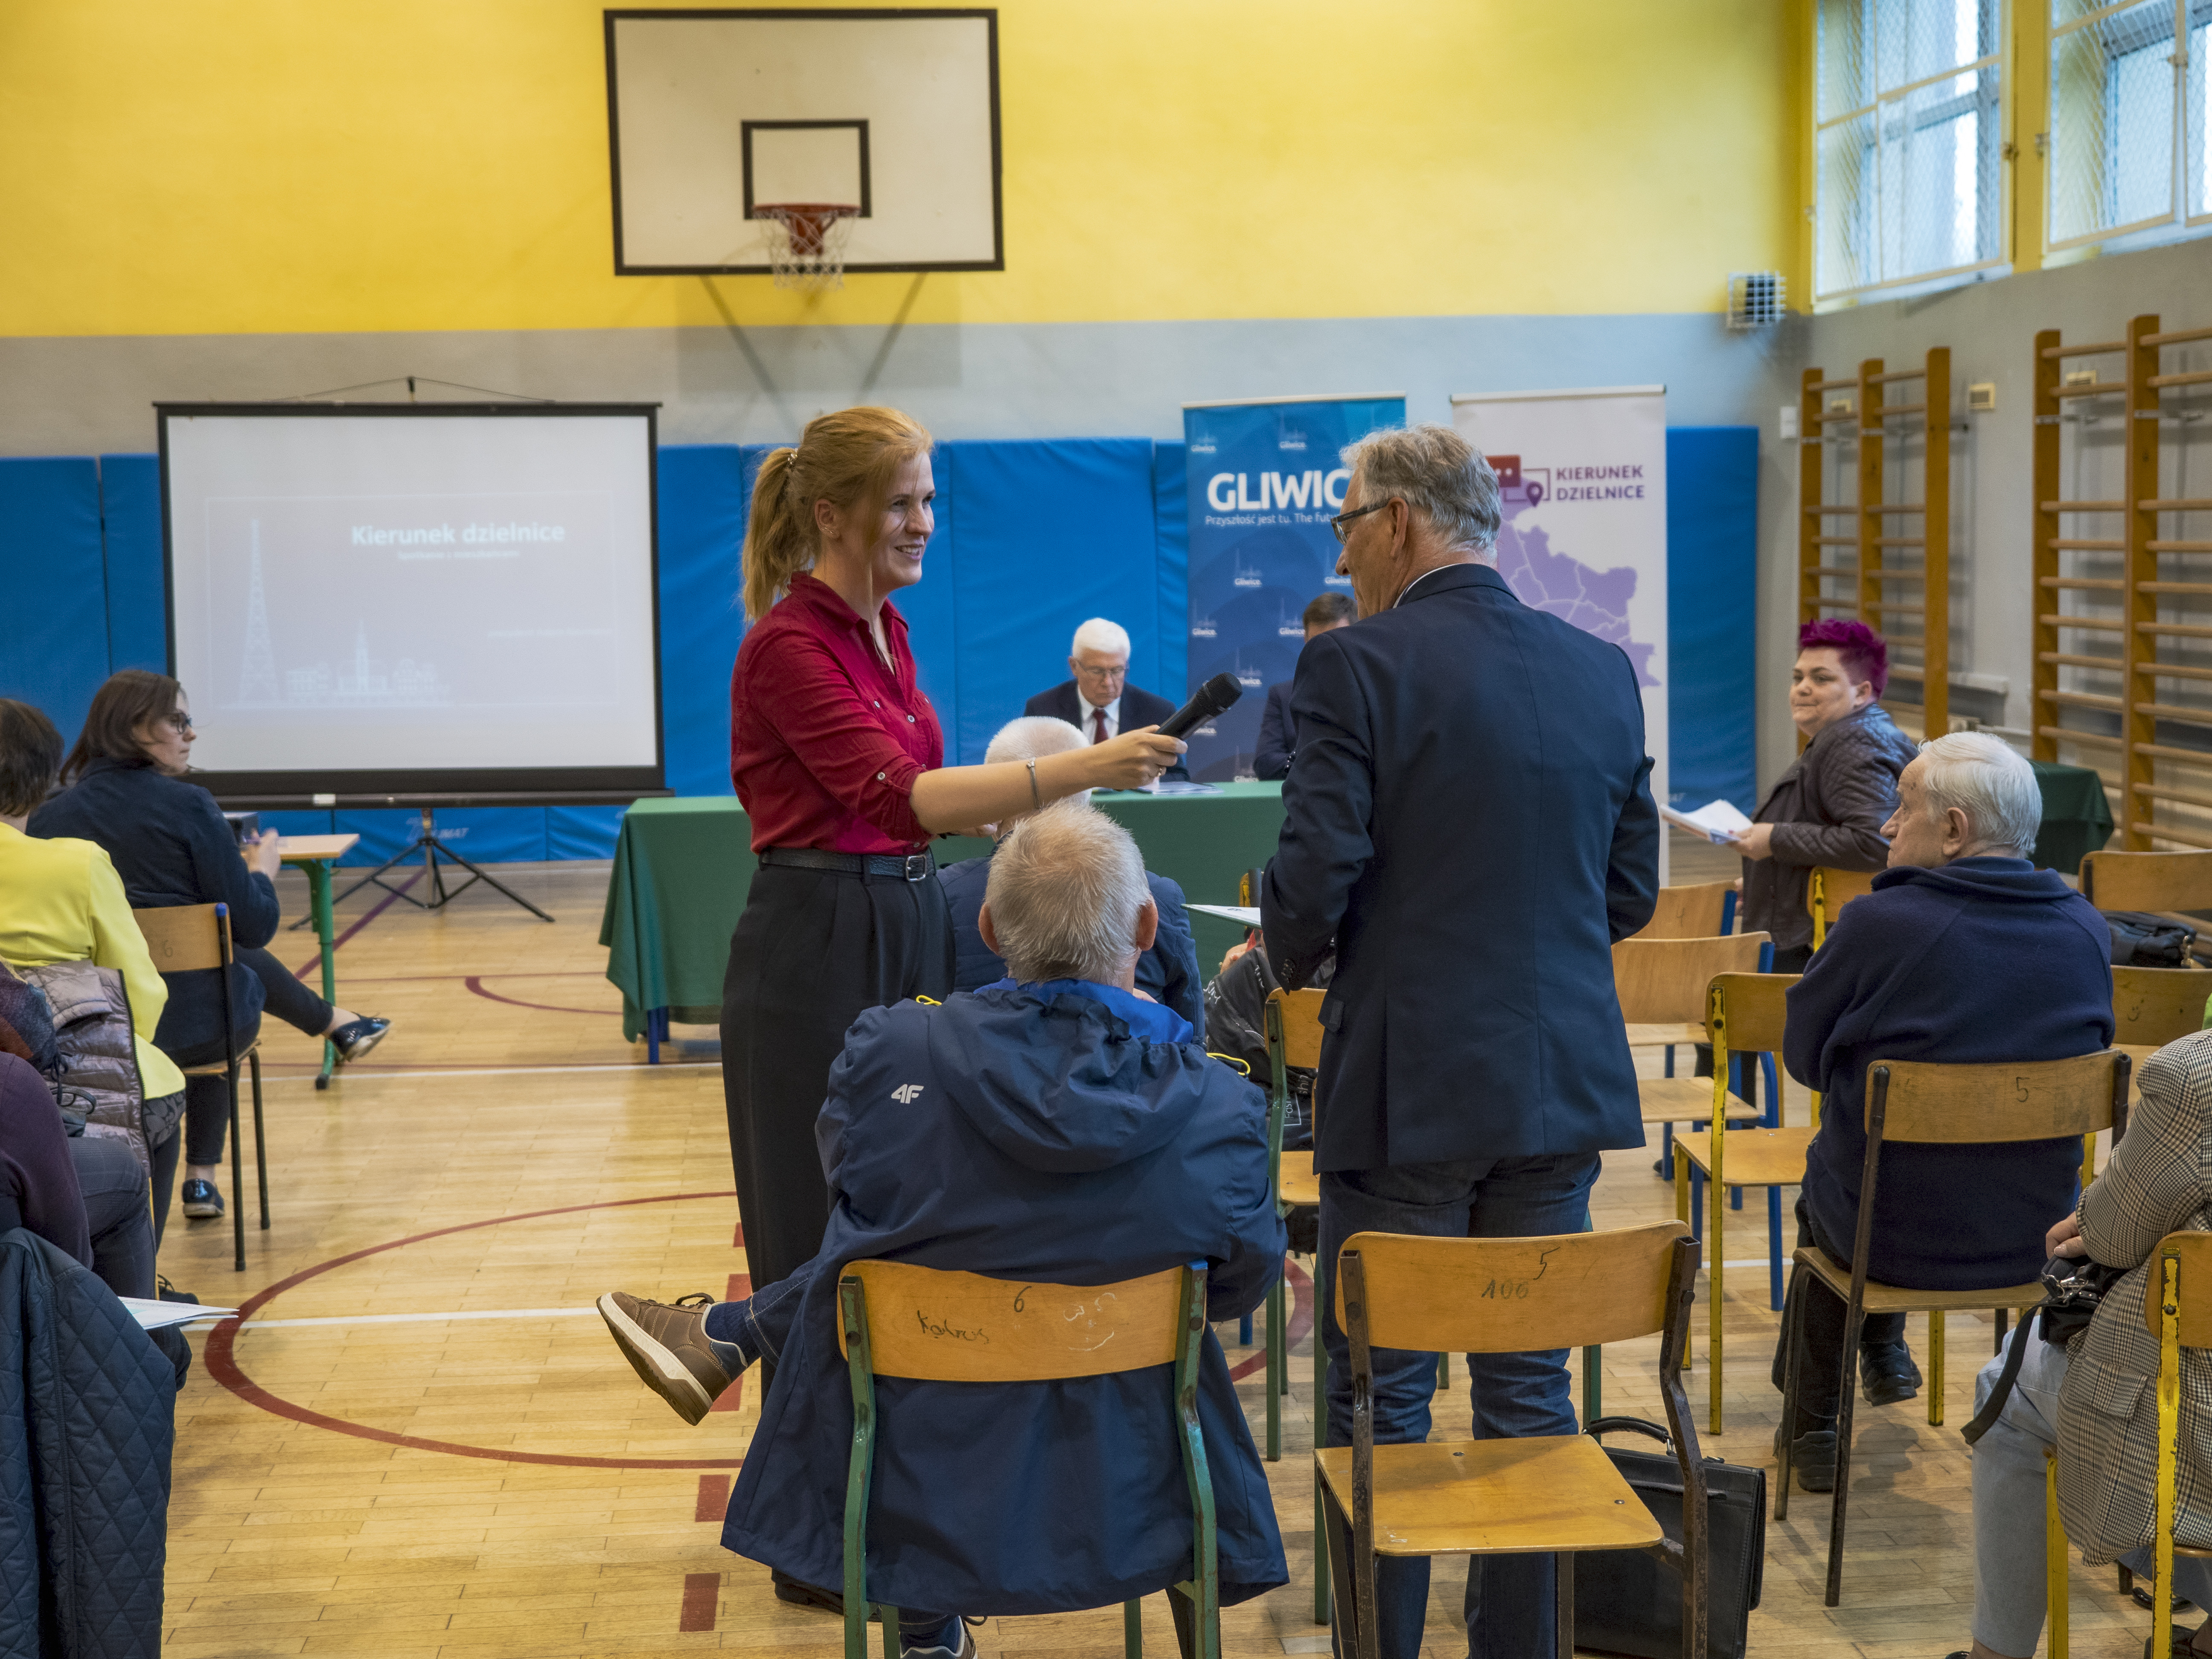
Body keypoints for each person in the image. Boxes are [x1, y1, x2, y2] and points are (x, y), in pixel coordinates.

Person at [601, 805, 1285, 1659]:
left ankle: (919, 1614)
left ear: (990, 929)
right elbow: (1243, 1284)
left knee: (877, 1266)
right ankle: (728, 1335)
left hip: (928, 1468)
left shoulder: (891, 1054)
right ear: (1148, 927)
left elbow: (853, 1203)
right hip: (1135, 1477)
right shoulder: (1221, 1102)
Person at [1259, 422, 1659, 1659]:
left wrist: (1282, 957)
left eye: (1343, 525)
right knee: (1531, 1403)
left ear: (1396, 520)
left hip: (1409, 1087)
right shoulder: (1602, 669)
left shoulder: (1354, 669)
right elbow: (1631, 891)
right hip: (1558, 1087)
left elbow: (1318, 873)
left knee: (1381, 1395)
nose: (1343, 552)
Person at [720, 409, 1185, 1315]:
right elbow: (902, 796)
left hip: (905, 918)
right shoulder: (786, 646)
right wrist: (1085, 767)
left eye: (929, 500)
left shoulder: (889, 635)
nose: (924, 522)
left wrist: (987, 813)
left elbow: (916, 799)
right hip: (818, 941)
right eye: (899, 504)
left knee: (905, 1211)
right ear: (828, 515)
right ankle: (801, 1437)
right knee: (812, 1229)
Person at [1773, 732, 2113, 1492]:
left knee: (1831, 1177)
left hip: (1885, 1245)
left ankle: (1813, 1419)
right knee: (1874, 1164)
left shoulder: (1876, 926)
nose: (1887, 827)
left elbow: (1800, 1059)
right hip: (2034, 1245)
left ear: (1953, 829)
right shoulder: (2088, 930)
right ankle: (1881, 1351)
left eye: (1901, 807)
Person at [31, 671, 389, 1225]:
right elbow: (255, 926)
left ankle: (334, 1026)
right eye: (179, 721)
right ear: (135, 727)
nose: (191, 735)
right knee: (222, 972)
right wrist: (262, 873)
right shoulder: (191, 806)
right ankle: (203, 1177)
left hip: (91, 1036)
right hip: (196, 1031)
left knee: (212, 967)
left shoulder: (50, 818)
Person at [1951, 1020, 2212, 1659]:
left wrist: (2088, 1222)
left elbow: (2118, 1236)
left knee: (2003, 1387)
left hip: (2197, 1423)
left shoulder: (2193, 1077)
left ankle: (1998, 1655)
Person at [0, 697, 183, 1265]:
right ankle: (133, 1319)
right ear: (41, 777)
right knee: (158, 1088)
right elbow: (138, 994)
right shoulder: (77, 864)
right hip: (83, 1089)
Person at [939, 716, 1202, 1027]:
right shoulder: (1158, 894)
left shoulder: (941, 895)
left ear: (990, 927)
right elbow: (1191, 1037)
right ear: (1148, 921)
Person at [1730, 619, 1918, 975]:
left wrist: (1772, 839)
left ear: (1861, 693)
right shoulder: (1853, 734)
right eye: (1798, 677)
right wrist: (1766, 880)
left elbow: (1875, 841)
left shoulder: (1853, 742)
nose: (1802, 689)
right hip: (1827, 937)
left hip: (1823, 952)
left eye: (1821, 678)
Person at [1023, 618, 1189, 779]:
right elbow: (1024, 775)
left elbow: (1179, 777)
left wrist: (1147, 779)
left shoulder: (1157, 712)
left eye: (1117, 671)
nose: (1108, 683)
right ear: (1074, 666)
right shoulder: (1043, 711)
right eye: (1097, 671)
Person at [1253, 591, 1355, 780]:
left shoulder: (1372, 692)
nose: (1326, 651)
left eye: (1337, 641)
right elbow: (1266, 762)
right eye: (1317, 642)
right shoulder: (1283, 695)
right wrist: (1330, 762)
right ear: (1305, 640)